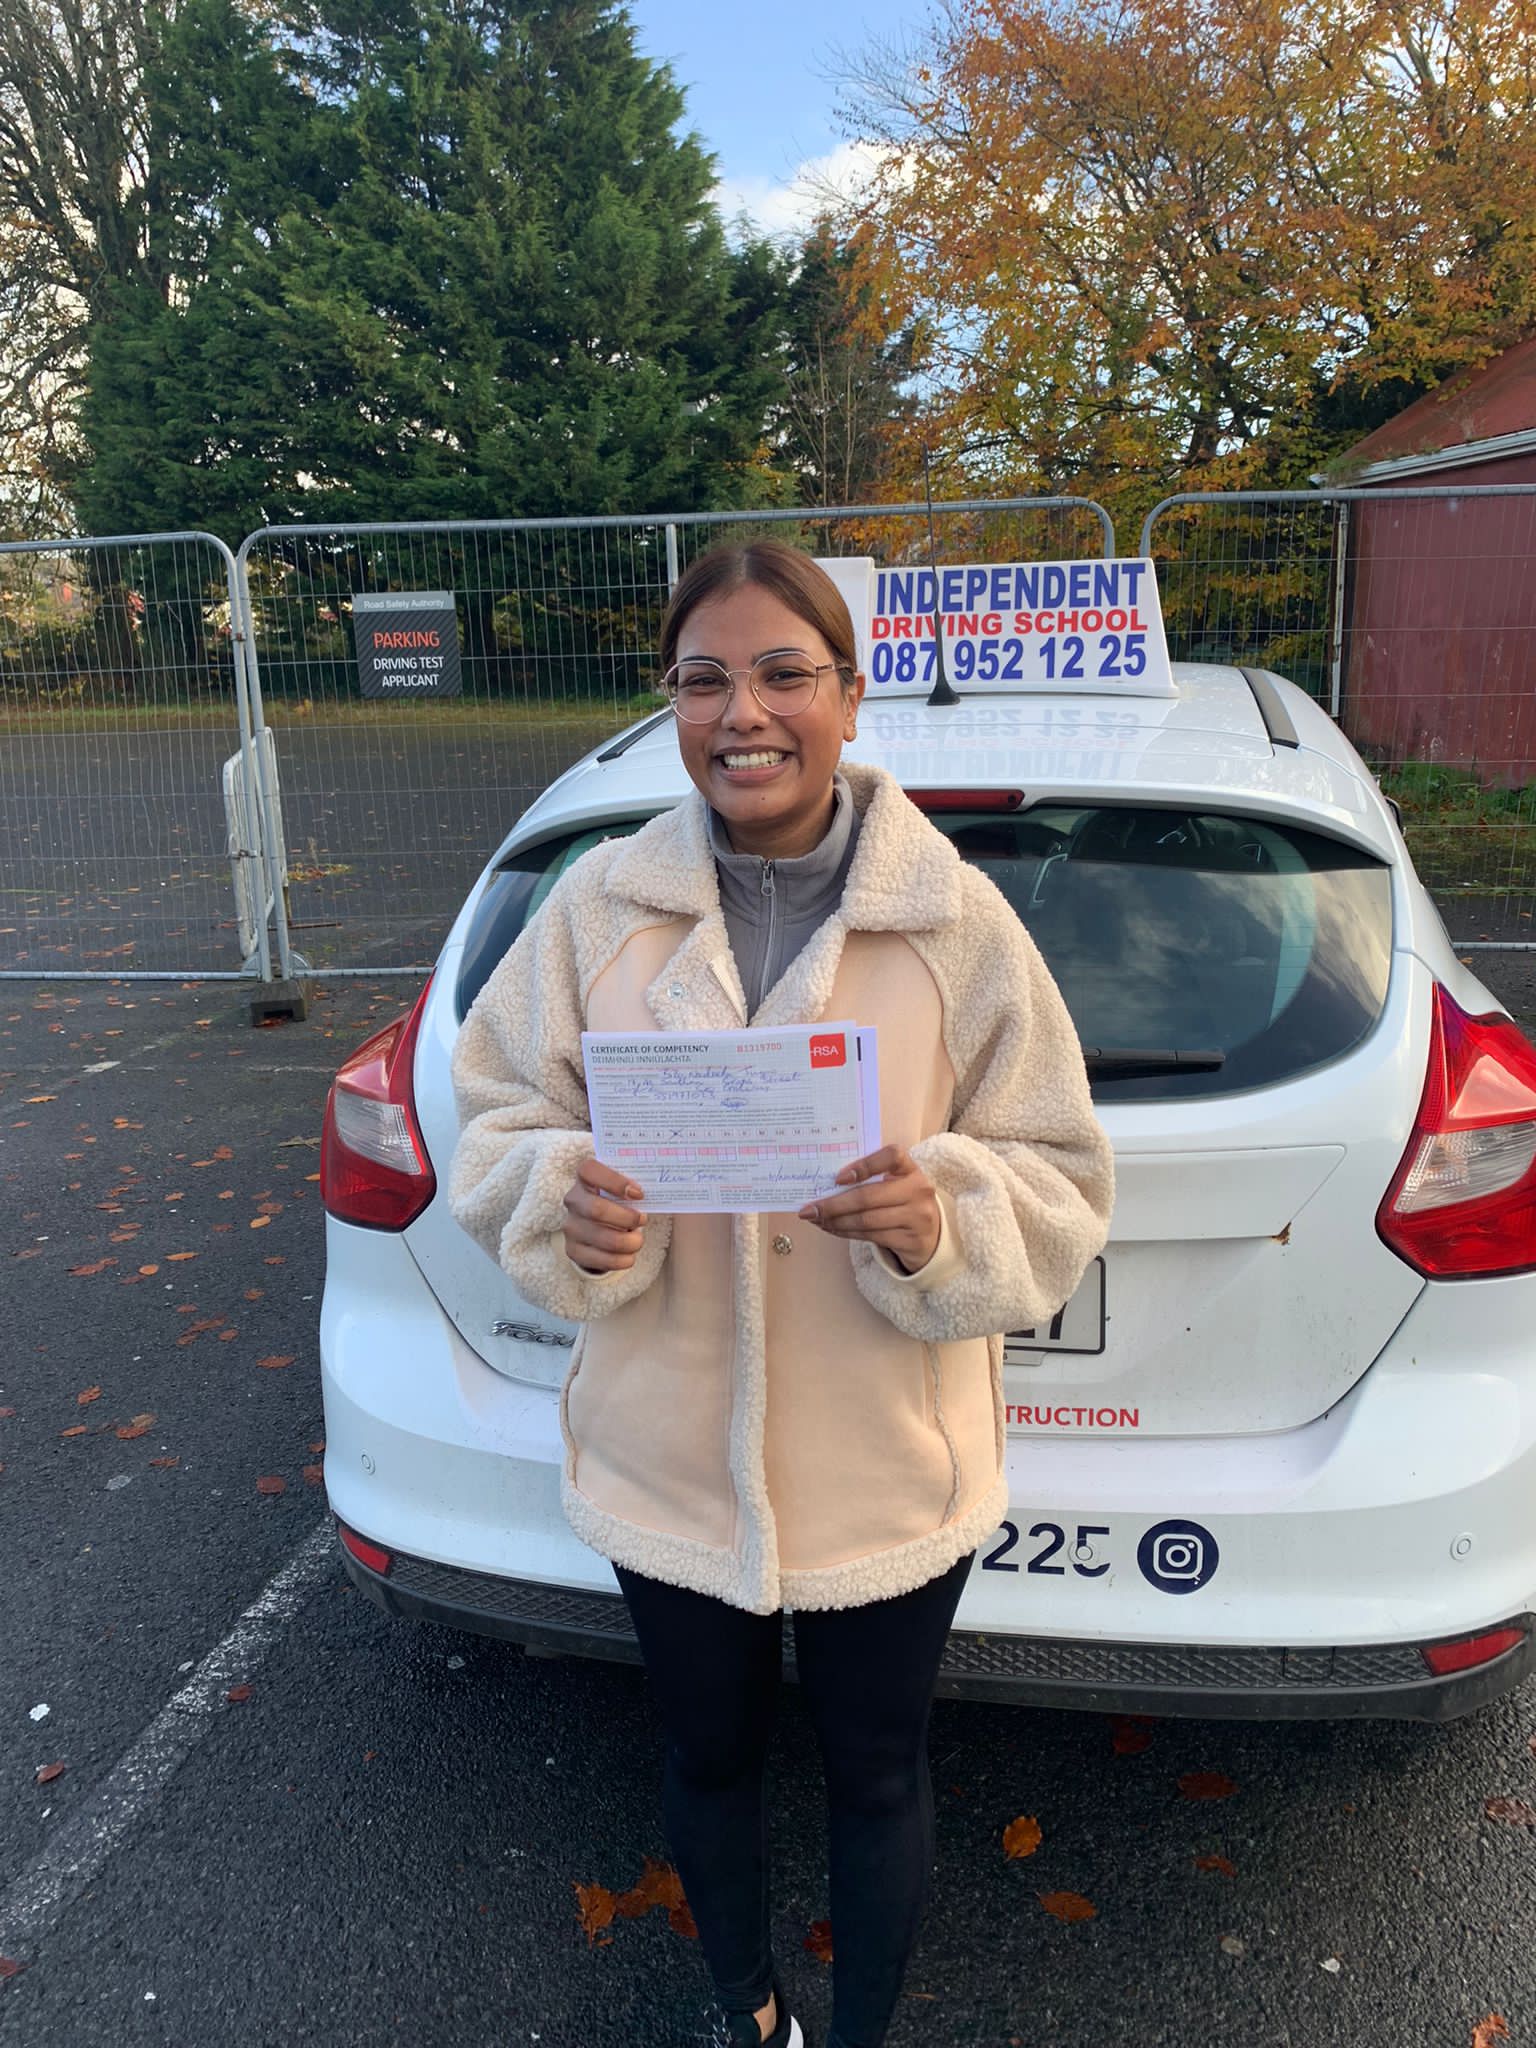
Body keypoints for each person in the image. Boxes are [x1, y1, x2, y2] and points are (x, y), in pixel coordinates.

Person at [449, 542, 1115, 2048]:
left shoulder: (959, 927)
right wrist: (567, 1199)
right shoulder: (593, 911)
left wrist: (940, 1216)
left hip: (891, 1462)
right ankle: (743, 2009)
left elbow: (1064, 1169)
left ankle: (860, 2034)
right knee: (706, 1759)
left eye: (780, 672)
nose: (741, 711)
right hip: (666, 1455)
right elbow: (488, 1107)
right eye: (702, 678)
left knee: (881, 1771)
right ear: (670, 705)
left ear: (849, 696)